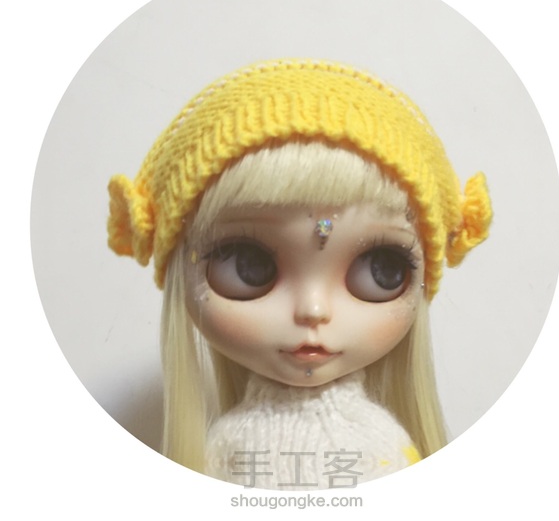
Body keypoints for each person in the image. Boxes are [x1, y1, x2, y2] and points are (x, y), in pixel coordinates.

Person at [107, 58, 492, 489]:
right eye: (248, 266)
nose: (313, 310)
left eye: (381, 270)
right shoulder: (224, 449)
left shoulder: (382, 446)